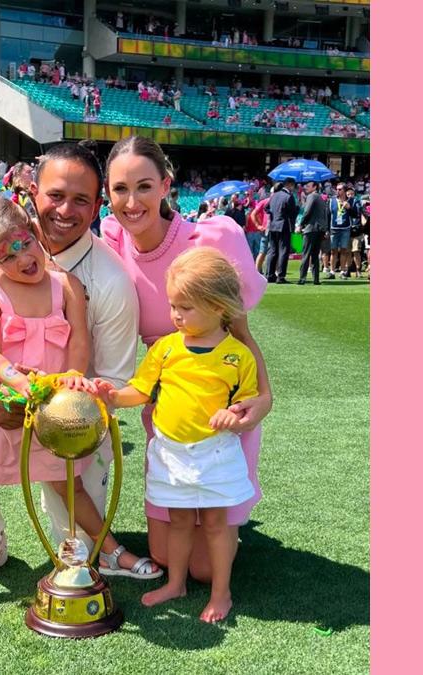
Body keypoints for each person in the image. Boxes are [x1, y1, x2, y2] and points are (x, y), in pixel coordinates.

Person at [0, 143, 155, 592]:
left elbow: (115, 376)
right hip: (4, 393)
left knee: (75, 544)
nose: (66, 210)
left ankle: (82, 543)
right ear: (32, 193)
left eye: (82, 199)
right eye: (55, 195)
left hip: (74, 406)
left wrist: (63, 409)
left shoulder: (108, 279)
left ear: (97, 205)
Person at [99, 135, 272, 585]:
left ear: (166, 186)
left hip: (219, 411)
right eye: (120, 188)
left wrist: (264, 399)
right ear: (108, 193)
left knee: (202, 567)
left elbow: (241, 333)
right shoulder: (112, 238)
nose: (131, 201)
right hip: (168, 406)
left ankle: (224, 524)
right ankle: (212, 526)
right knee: (163, 554)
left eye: (144, 186)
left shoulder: (212, 239)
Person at [70, 247, 257, 623]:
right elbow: (139, 390)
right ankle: (176, 583)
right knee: (180, 521)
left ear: (219, 306)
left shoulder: (237, 355)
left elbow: (248, 402)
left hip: (215, 453)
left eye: (185, 307)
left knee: (218, 524)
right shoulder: (167, 348)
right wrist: (112, 395)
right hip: (170, 452)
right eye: (173, 305)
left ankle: (222, 594)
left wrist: (232, 414)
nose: (175, 315)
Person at [263, 177, 299, 283]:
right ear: (290, 185)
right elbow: (293, 213)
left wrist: (273, 214)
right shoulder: (289, 197)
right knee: (283, 251)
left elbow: (266, 208)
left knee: (272, 251)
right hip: (284, 226)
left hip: (273, 225)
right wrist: (296, 209)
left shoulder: (274, 195)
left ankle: (269, 274)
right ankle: (281, 276)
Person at [296, 179, 330, 285]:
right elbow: (325, 214)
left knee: (306, 254)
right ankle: (316, 279)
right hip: (319, 229)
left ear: (315, 187)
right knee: (315, 255)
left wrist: (300, 224)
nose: (306, 187)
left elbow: (307, 212)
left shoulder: (312, 196)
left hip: (311, 229)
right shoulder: (320, 197)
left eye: (308, 186)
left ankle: (302, 278)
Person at [328, 183, 353, 278]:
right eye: (337, 189)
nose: (337, 191)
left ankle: (342, 271)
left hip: (345, 228)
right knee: (333, 251)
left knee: (343, 250)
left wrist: (349, 208)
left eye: (340, 189)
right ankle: (332, 272)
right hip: (333, 228)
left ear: (344, 191)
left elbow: (355, 214)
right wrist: (326, 230)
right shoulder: (332, 201)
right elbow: (327, 215)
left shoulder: (351, 200)